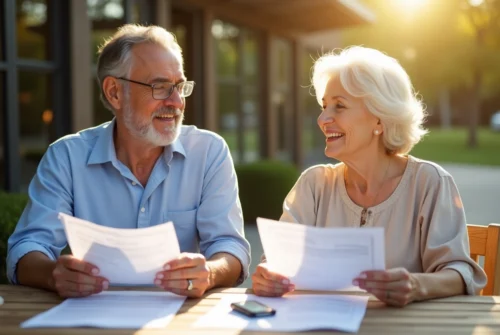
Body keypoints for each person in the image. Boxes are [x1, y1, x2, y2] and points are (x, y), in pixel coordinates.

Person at [7, 24, 250, 298]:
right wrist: (54, 275)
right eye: (160, 86)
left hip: (178, 319)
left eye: (180, 87)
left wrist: (210, 272)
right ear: (114, 92)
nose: (176, 101)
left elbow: (229, 246)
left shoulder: (209, 152)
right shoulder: (66, 157)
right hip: (89, 316)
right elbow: (27, 247)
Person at [251, 46, 486, 306]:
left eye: (339, 106)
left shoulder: (429, 183)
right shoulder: (313, 185)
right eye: (324, 106)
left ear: (379, 119)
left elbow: (459, 273)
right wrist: (269, 274)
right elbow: (277, 260)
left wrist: (417, 285)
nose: (322, 118)